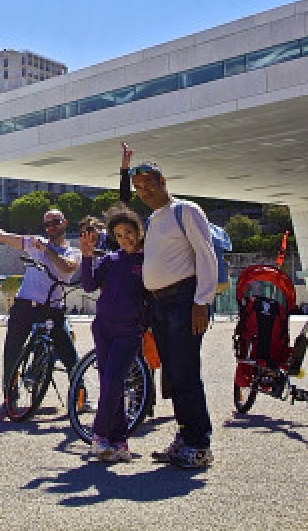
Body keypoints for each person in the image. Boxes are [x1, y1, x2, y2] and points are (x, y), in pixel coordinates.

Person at [131, 159, 217, 469]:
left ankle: (199, 443)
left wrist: (201, 301)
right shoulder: (154, 219)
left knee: (186, 372)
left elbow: (206, 255)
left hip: (183, 301)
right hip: (160, 304)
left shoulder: (186, 211)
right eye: (139, 188)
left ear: (163, 181)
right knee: (173, 373)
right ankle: (185, 434)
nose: (144, 192)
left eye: (149, 185)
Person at [0, 202, 81, 398]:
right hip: (25, 305)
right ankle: (10, 396)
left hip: (53, 309)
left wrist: (46, 250)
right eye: (47, 225)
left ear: (65, 223)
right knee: (12, 352)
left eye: (55, 223)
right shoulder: (35, 243)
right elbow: (2, 236)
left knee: (69, 354)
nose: (51, 228)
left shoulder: (72, 252)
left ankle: (79, 397)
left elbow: (67, 268)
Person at [79, 207, 148, 462]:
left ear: (139, 231)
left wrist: (144, 325)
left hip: (129, 331)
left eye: (129, 232)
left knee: (114, 382)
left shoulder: (148, 261)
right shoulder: (111, 259)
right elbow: (88, 285)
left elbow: (152, 298)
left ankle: (99, 435)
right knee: (110, 383)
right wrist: (87, 257)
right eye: (119, 235)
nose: (125, 239)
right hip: (103, 328)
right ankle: (118, 441)